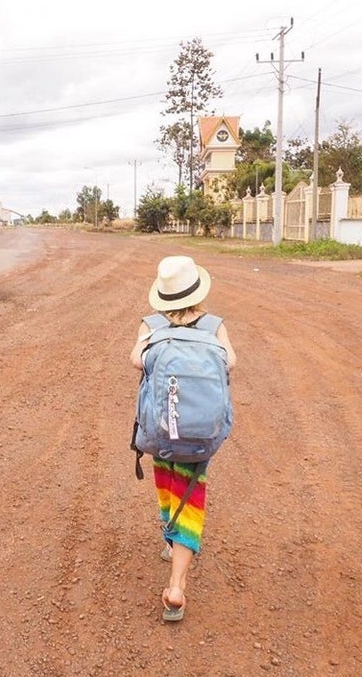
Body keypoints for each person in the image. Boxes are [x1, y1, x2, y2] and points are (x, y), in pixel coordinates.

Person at [129, 255, 236, 622]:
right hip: (201, 432)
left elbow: (135, 360)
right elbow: (231, 362)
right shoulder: (214, 325)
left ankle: (173, 550)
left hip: (162, 428)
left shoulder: (151, 325)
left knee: (168, 485)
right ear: (197, 289)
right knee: (191, 494)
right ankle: (177, 584)